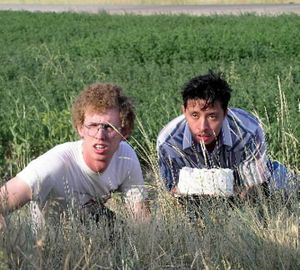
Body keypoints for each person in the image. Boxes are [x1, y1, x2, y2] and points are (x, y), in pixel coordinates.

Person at [0, 83, 149, 231]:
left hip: (90, 235)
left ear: (125, 132)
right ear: (80, 129)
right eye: (93, 126)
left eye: (109, 127)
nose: (100, 136)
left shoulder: (125, 157)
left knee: (116, 230)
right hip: (47, 245)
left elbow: (141, 217)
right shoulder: (53, 165)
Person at [157, 70, 297, 203]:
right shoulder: (168, 142)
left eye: (212, 116)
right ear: (184, 111)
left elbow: (253, 189)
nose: (202, 127)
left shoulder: (248, 132)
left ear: (225, 113)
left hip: (244, 188)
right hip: (193, 196)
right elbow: (171, 192)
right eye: (194, 115)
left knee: (283, 182)